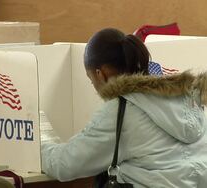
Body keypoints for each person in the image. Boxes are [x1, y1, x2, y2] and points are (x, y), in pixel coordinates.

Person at [41, 28, 207, 187]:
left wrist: (39, 142)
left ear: (101, 74)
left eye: (91, 80)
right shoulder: (186, 99)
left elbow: (65, 164)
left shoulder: (122, 110)